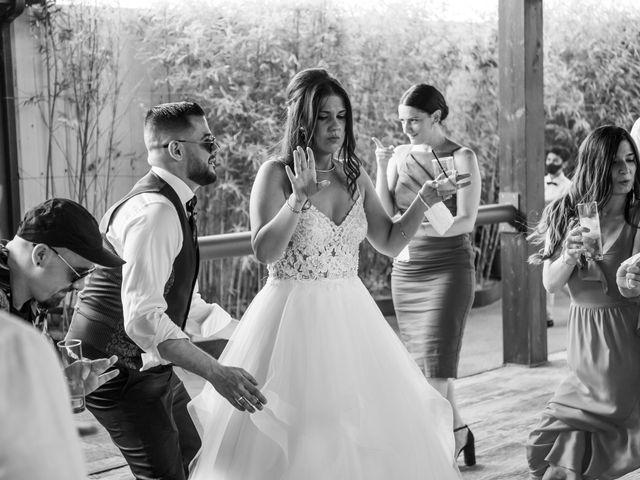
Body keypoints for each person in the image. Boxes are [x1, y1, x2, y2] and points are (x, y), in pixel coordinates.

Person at [187, 68, 469, 479]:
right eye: (324, 116)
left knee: (356, 432)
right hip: (289, 321)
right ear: (303, 120)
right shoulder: (275, 173)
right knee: (298, 435)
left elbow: (389, 241)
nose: (335, 126)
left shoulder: (354, 173)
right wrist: (298, 199)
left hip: (351, 317)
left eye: (341, 116)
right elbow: (265, 251)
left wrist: (423, 201)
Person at [66, 101, 267, 480]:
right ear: (176, 149)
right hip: (112, 371)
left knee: (199, 453)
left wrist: (245, 335)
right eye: (208, 142)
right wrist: (217, 373)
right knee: (167, 474)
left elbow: (180, 302)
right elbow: (143, 317)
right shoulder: (156, 212)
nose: (217, 150)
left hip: (145, 362)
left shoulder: (172, 203)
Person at [372, 83, 481, 466]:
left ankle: (436, 459)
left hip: (448, 266)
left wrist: (427, 223)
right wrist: (383, 165)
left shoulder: (462, 156)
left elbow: (467, 220)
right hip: (407, 269)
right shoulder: (401, 154)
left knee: (436, 366)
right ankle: (459, 433)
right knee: (425, 367)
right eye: (402, 122)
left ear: (436, 117)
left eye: (414, 121)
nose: (406, 129)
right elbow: (386, 214)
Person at [527, 125, 640, 480]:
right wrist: (570, 255)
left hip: (626, 342)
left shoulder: (638, 217)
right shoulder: (566, 212)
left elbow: (631, 286)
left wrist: (631, 280)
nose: (626, 171)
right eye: (615, 163)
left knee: (580, 444)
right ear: (595, 165)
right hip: (584, 343)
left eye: (631, 160)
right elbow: (550, 282)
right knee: (565, 430)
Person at [1, 197, 127, 479]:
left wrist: (59, 385)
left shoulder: (31, 295)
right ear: (41, 255)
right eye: (78, 273)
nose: (80, 285)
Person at [544, 146, 572, 328]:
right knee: (547, 274)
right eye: (549, 160)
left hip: (560, 232)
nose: (551, 164)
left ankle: (581, 296)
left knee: (559, 274)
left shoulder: (569, 186)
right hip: (540, 231)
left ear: (564, 163)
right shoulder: (539, 181)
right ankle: (547, 315)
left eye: (555, 161)